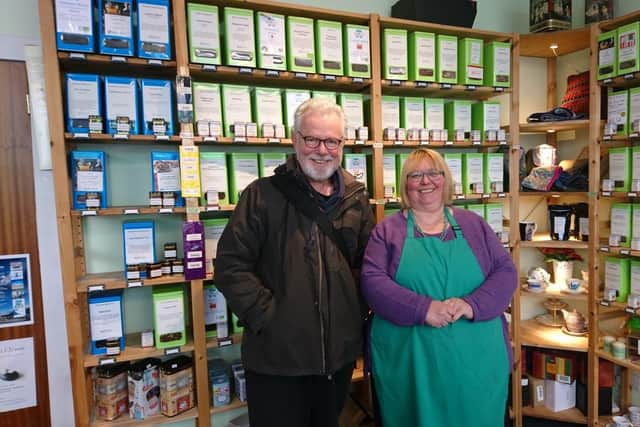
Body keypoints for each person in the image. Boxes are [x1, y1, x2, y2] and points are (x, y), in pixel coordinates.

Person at [214, 98, 375, 427]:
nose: (322, 149)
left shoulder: (356, 199)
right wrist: (269, 317)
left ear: (342, 144)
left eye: (332, 141)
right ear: (295, 139)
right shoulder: (260, 195)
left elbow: (367, 266)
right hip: (277, 361)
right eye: (312, 139)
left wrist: (352, 314)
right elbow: (230, 266)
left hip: (337, 360)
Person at [361, 148, 516, 427]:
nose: (426, 181)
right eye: (415, 174)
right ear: (405, 183)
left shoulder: (473, 225)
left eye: (434, 173)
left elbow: (505, 272)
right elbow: (373, 283)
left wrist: (472, 304)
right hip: (411, 363)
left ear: (445, 180)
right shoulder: (387, 231)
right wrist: (424, 309)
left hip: (476, 362)